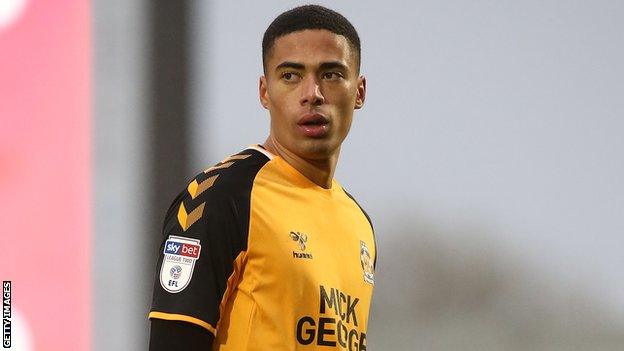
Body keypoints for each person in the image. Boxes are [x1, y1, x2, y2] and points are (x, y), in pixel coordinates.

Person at [148, 5, 376, 350]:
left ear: (358, 92)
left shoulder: (360, 225)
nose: (312, 93)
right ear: (264, 92)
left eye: (331, 74)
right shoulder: (221, 197)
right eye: (291, 76)